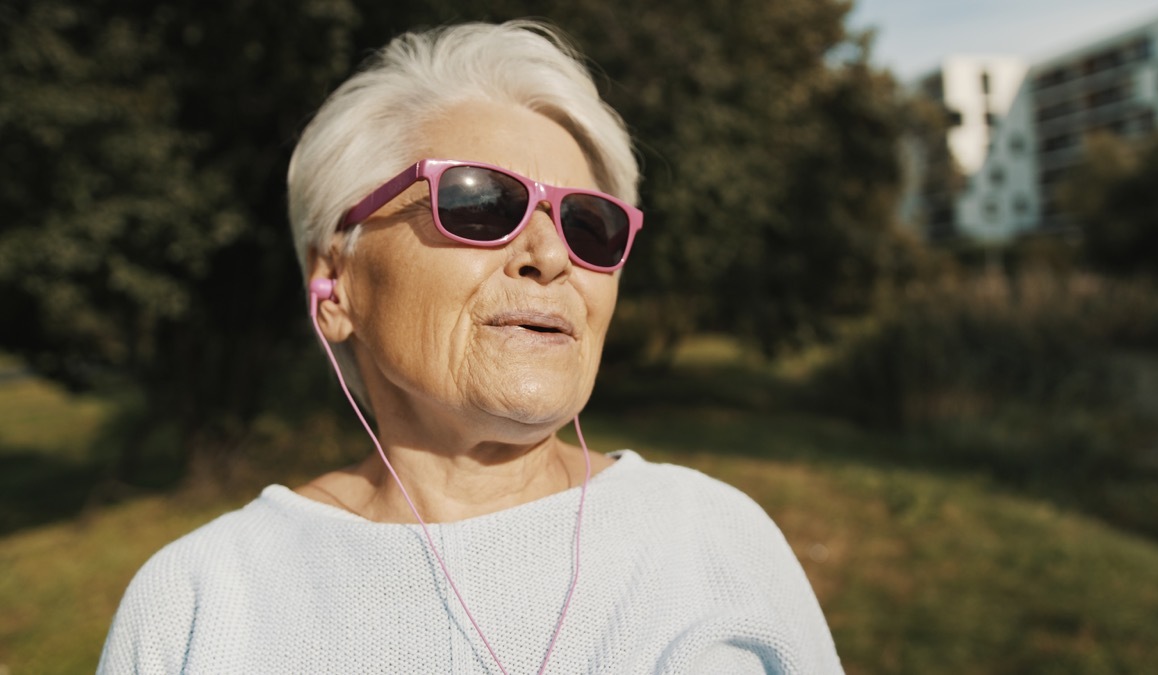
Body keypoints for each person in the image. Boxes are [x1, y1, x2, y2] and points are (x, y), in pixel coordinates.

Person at [98, 21, 843, 674]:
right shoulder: (198, 601)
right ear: (336, 279)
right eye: (479, 202)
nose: (550, 256)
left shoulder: (714, 537)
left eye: (590, 225)